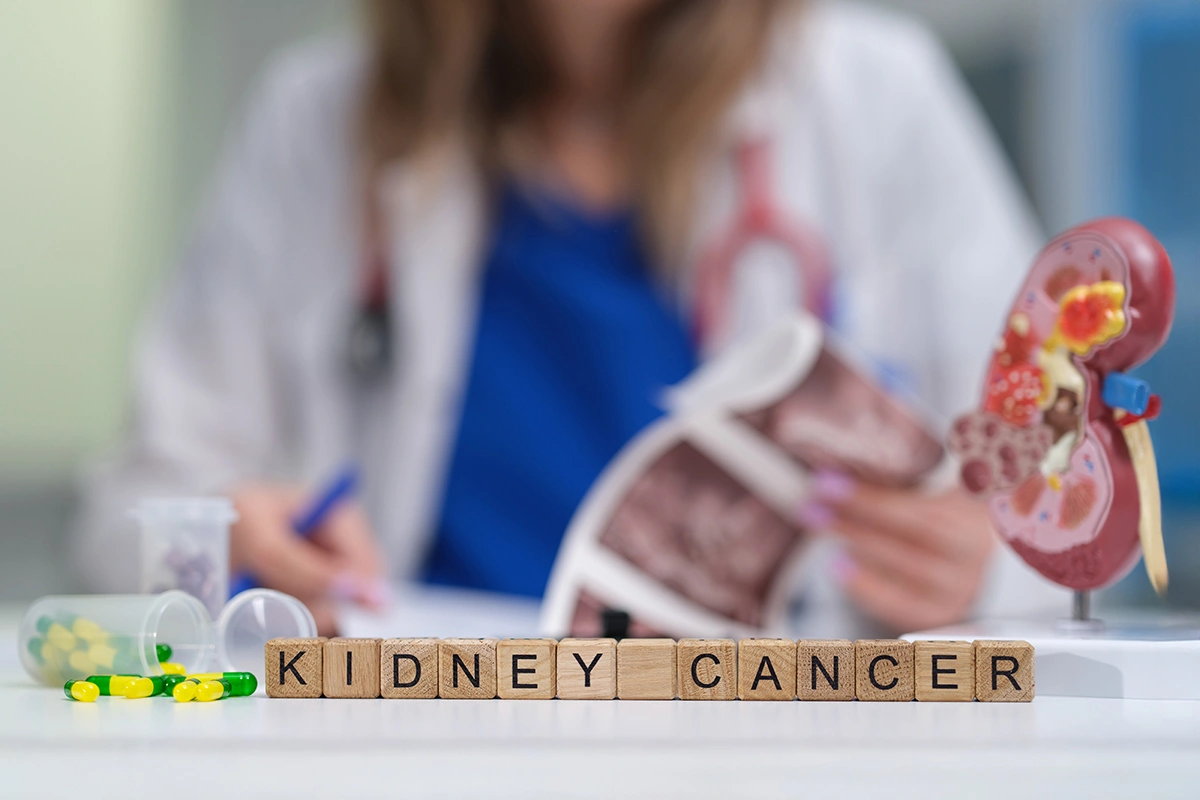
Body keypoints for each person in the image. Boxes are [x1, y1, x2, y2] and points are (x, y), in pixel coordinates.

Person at [72, 0, 1066, 635]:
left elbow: (1060, 502)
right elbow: (136, 498)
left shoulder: (876, 99)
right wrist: (227, 536)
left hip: (759, 746)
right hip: (410, 736)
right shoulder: (316, 123)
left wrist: (973, 570)